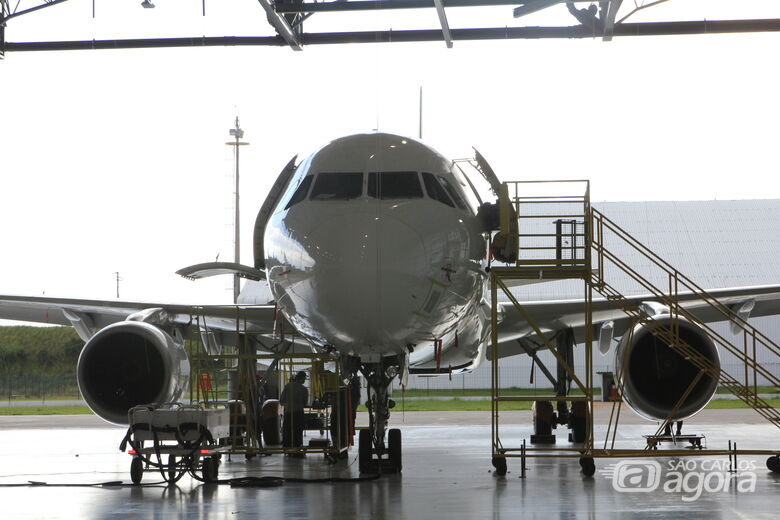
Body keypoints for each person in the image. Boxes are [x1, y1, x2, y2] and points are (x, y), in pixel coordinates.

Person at [280, 371, 309, 454]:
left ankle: (287, 449)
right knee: (298, 432)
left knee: (288, 431)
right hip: (299, 413)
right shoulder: (304, 389)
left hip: (289, 412)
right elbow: (304, 403)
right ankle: (297, 449)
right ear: (302, 378)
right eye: (305, 378)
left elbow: (282, 400)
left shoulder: (288, 386)